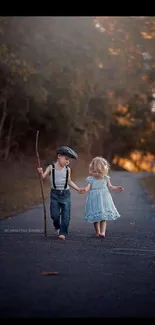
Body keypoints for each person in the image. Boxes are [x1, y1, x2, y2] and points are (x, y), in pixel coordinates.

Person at [37, 146, 84, 240]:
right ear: (59, 156)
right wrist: (40, 173)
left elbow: (69, 181)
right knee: (55, 215)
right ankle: (57, 227)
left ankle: (63, 232)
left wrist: (78, 189)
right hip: (54, 194)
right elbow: (43, 178)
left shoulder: (68, 170)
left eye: (69, 160)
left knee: (66, 215)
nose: (67, 162)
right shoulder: (51, 168)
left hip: (66, 194)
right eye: (66, 159)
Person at [81, 156, 124, 237]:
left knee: (103, 216)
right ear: (91, 170)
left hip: (104, 199)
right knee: (95, 217)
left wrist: (117, 187)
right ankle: (97, 231)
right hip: (94, 199)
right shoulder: (91, 179)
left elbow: (110, 186)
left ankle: (102, 232)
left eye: (99, 172)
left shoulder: (106, 178)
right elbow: (88, 187)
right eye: (95, 171)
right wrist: (84, 190)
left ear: (104, 171)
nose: (97, 173)